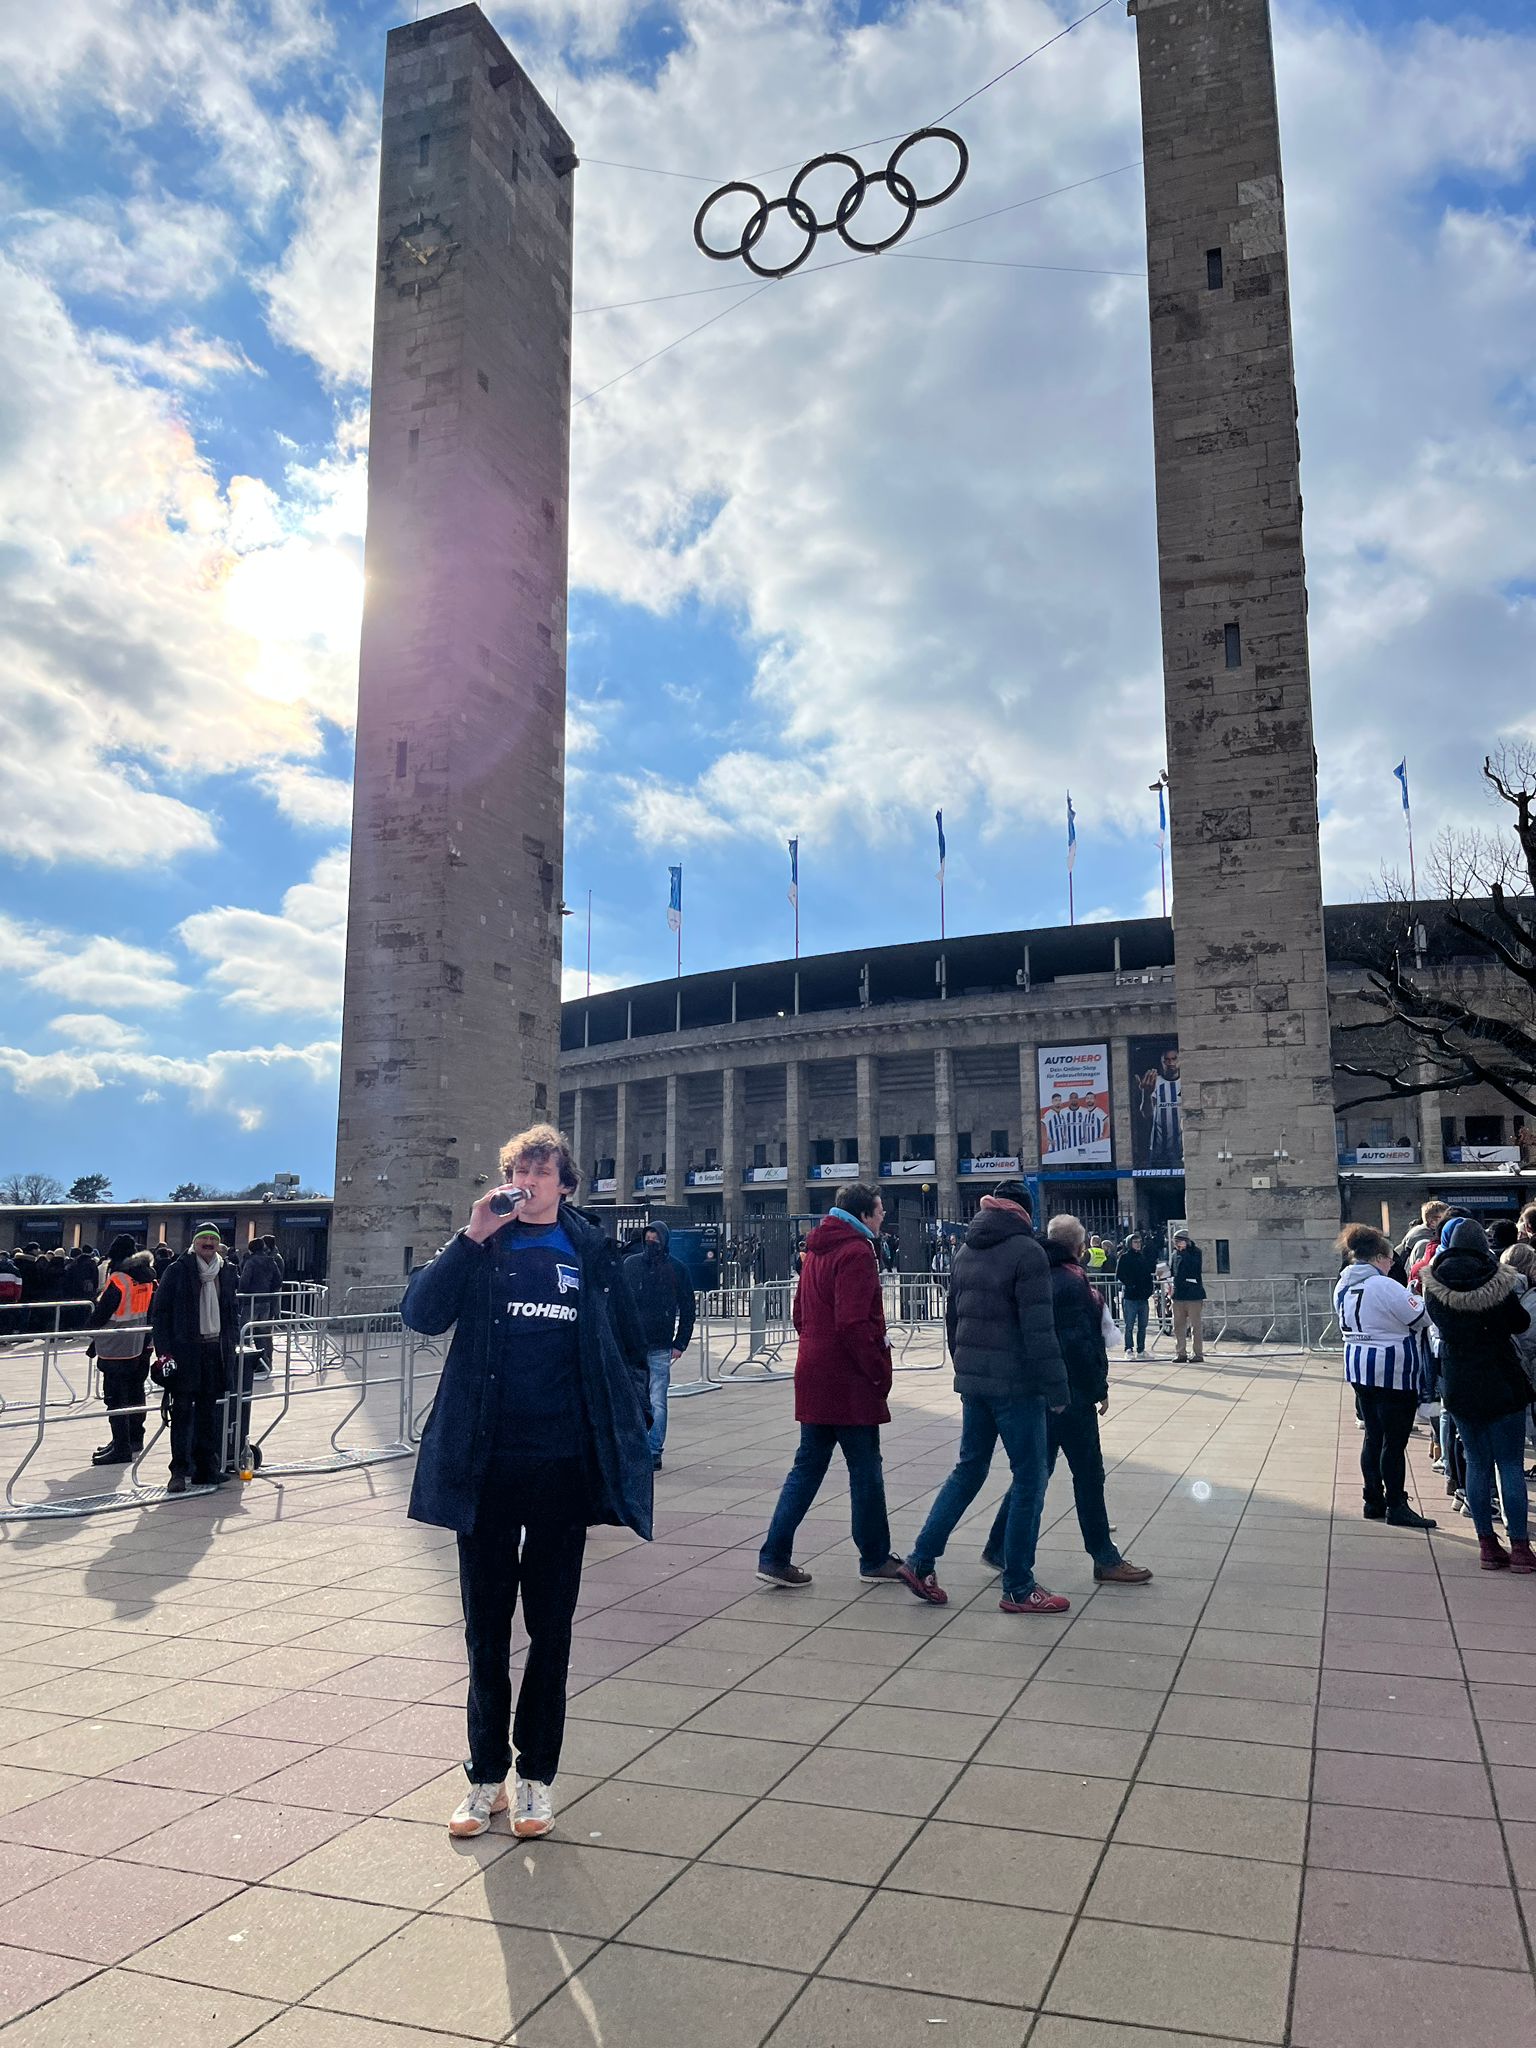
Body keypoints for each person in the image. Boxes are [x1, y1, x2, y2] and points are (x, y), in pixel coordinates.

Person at [401, 1122, 651, 1843]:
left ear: (566, 1184)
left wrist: (627, 1423)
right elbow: (420, 1314)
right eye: (520, 1170)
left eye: (543, 1173)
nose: (530, 1182)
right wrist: (470, 1236)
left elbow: (630, 1347)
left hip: (561, 1469)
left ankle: (537, 1775)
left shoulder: (593, 1253)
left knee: (550, 1628)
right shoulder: (484, 1247)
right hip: (484, 1467)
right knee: (484, 1630)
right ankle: (485, 1780)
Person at [897, 1179, 1071, 1615]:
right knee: (1031, 1479)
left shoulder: (965, 1250)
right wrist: (1057, 1388)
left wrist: (966, 1370)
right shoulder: (1028, 1252)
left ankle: (921, 1559)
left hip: (975, 1385)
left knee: (968, 1470)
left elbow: (953, 1322)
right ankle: (1017, 1585)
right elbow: (1038, 1330)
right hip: (1017, 1387)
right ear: (1024, 1212)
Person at [981, 1214, 1152, 1586]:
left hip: (1036, 1392)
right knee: (1088, 1475)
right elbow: (1081, 1344)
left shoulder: (1033, 1273)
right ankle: (1104, 1557)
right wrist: (1099, 1388)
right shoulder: (1074, 1282)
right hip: (1070, 1394)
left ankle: (998, 1546)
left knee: (1034, 1474)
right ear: (1080, 1246)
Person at [756, 1183, 901, 1589]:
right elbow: (854, 1323)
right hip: (849, 1380)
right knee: (866, 1471)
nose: (883, 1216)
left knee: (807, 1467)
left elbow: (799, 1313)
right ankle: (874, 1557)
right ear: (865, 1214)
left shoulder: (817, 1249)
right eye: (880, 1210)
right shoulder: (857, 1251)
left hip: (814, 1373)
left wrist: (817, 1348)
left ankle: (774, 1555)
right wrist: (877, 1369)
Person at [1424, 1217, 1534, 1571]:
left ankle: (1487, 1545)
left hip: (1458, 1380)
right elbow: (1520, 1323)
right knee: (1510, 1464)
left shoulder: (1433, 1283)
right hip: (1501, 1379)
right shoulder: (1498, 1281)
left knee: (1476, 1462)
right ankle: (1520, 1548)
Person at [1332, 1224, 1435, 1529]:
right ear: (1378, 1257)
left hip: (1359, 1366)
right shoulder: (1386, 1286)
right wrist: (1417, 1295)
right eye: (1391, 1260)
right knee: (1394, 1441)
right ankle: (1397, 1504)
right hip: (1393, 1369)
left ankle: (1372, 1498)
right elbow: (1421, 1317)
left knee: (1372, 1436)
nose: (1393, 1265)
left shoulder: (1343, 1285)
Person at [151, 1224, 239, 1493]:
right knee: (181, 1413)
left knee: (207, 1413)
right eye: (204, 1239)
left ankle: (206, 1468)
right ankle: (178, 1471)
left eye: (214, 1239)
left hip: (214, 1350)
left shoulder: (226, 1271)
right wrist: (164, 1352)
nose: (209, 1242)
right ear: (195, 1243)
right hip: (185, 1350)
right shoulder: (178, 1270)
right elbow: (160, 1313)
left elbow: (232, 1310)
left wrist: (232, 1341)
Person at [621, 1222, 695, 1473]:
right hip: (633, 1344)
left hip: (660, 1344)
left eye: (655, 1238)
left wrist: (680, 1342)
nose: (651, 1242)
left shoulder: (676, 1269)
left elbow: (688, 1308)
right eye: (648, 1238)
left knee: (657, 1399)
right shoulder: (631, 1265)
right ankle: (638, 1446)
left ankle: (653, 1449)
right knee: (635, 1399)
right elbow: (619, 1303)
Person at [89, 1250, 156, 1466]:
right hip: (140, 1343)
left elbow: (101, 1314)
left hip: (115, 1346)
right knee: (136, 1392)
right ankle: (134, 1438)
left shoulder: (119, 1280)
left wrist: (89, 1328)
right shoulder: (150, 1279)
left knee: (115, 1398)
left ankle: (121, 1446)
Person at [238, 1237, 284, 1377]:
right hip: (266, 1301)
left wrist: (241, 1293)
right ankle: (265, 1363)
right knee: (262, 1333)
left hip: (251, 1300)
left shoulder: (251, 1262)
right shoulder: (271, 1261)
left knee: (245, 1332)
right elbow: (278, 1280)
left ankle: (245, 1364)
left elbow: (245, 1281)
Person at [1115, 1231, 1155, 1355]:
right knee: (1129, 1325)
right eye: (1135, 1242)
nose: (1138, 1244)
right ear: (1129, 1243)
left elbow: (1148, 1274)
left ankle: (1141, 1348)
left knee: (1143, 1325)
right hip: (1130, 1296)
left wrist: (1149, 1290)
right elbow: (1120, 1274)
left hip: (1143, 1296)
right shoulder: (1125, 1257)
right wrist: (1131, 1285)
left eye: (1139, 1242)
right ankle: (1129, 1348)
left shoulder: (1142, 1257)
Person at [1170, 1230, 1206, 1361]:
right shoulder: (1174, 1254)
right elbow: (1174, 1272)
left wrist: (1184, 1252)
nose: (1176, 1244)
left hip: (1193, 1295)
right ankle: (1180, 1352)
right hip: (1178, 1294)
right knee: (1178, 1325)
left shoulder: (1196, 1252)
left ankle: (1197, 1353)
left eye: (1179, 1241)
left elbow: (1195, 1268)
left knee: (1195, 1326)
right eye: (1175, 1241)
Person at [1397, 1199, 1450, 1267]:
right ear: (1432, 1221)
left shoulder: (1414, 1233)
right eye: (1443, 1218)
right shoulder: (1424, 1242)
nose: (1447, 1222)